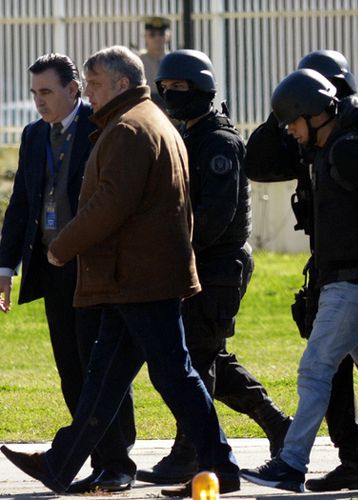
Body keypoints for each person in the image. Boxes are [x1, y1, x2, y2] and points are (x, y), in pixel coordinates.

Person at [0, 45, 240, 497]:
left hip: (141, 278)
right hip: (132, 277)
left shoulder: (130, 129)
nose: (87, 93)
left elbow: (108, 204)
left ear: (121, 85)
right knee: (105, 377)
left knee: (173, 374)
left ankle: (221, 464)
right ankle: (62, 463)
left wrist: (62, 248)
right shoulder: (142, 120)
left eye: (93, 85)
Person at [239, 68, 358, 493]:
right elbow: (261, 161)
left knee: (315, 368)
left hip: (357, 282)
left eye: (292, 121)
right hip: (350, 281)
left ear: (314, 114)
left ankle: (291, 463)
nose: (289, 131)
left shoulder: (349, 150)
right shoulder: (323, 151)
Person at [132, 49, 292, 488]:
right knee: (206, 355)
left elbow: (215, 217)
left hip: (217, 265)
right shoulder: (189, 134)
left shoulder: (218, 141)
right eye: (165, 89)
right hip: (198, 263)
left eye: (179, 88)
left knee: (195, 362)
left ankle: (193, 455)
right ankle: (278, 424)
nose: (171, 96)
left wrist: (175, 251)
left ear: (202, 90)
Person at [0, 53, 136, 493]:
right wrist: (5, 268)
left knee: (101, 366)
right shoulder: (34, 135)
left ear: (73, 89)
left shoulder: (102, 130)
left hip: (93, 267)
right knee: (70, 370)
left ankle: (117, 460)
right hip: (52, 268)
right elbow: (21, 206)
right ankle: (93, 459)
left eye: (47, 92)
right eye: (34, 93)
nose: (39, 101)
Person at [137, 16, 170, 108]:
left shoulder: (173, 60)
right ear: (145, 37)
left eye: (161, 34)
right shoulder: (138, 61)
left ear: (168, 36)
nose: (157, 38)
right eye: (152, 34)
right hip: (145, 105)